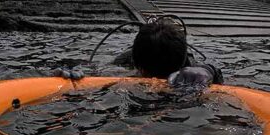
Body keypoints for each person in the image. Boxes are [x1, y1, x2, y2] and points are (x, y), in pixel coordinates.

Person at [55, 17, 223, 87]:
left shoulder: (192, 68)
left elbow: (100, 70)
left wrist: (208, 70)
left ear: (139, 67)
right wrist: (210, 70)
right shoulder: (125, 61)